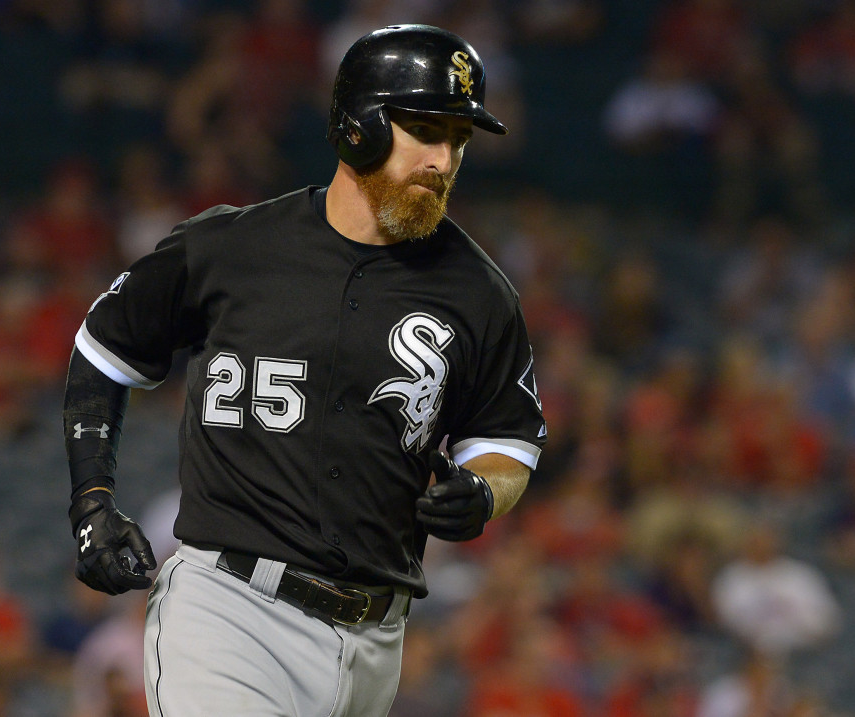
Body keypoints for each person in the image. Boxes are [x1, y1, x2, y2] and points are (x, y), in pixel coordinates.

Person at [61, 24, 547, 717]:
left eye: (457, 139)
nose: (443, 158)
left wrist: (484, 492)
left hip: (376, 639)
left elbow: (507, 441)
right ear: (358, 127)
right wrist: (92, 503)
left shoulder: (478, 292)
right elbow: (103, 349)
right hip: (228, 610)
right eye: (424, 130)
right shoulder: (230, 247)